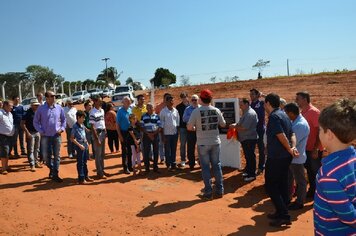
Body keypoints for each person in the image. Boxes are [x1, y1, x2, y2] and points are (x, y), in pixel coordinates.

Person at [314, 98, 356, 235]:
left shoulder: (328, 174)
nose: (318, 133)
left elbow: (349, 216)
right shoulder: (353, 157)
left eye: (320, 130)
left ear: (329, 135)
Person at [264, 93, 298, 227]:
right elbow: (292, 134)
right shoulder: (284, 114)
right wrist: (293, 147)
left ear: (268, 103)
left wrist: (290, 148)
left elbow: (281, 135)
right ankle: (280, 211)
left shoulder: (274, 116)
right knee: (282, 184)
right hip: (285, 157)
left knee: (271, 185)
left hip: (277, 157)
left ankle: (284, 214)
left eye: (264, 104)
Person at [187, 89, 226, 200]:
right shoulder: (216, 110)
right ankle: (219, 190)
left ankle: (208, 192)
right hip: (215, 142)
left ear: (201, 99)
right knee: (217, 166)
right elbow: (223, 125)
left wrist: (196, 128)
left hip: (202, 143)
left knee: (205, 168)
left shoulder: (196, 112)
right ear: (210, 99)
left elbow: (189, 127)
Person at [33, 91, 66, 183]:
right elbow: (35, 121)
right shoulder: (41, 109)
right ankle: (51, 168)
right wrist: (40, 131)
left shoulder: (59, 108)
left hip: (56, 135)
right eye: (52, 96)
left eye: (54, 96)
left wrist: (62, 128)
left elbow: (64, 120)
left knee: (57, 156)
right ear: (46, 98)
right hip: (45, 136)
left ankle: (55, 174)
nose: (54, 97)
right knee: (45, 156)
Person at [295, 91, 322, 198]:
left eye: (298, 99)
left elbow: (320, 131)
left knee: (315, 173)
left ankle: (318, 194)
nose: (296, 101)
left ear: (305, 99)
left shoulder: (314, 112)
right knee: (310, 172)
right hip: (306, 148)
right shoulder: (303, 112)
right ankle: (312, 191)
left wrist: (315, 148)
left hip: (313, 149)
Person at [284, 103, 310, 210]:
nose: (285, 115)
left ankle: (299, 202)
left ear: (291, 113)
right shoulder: (296, 121)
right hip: (293, 157)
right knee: (290, 179)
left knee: (301, 181)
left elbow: (292, 142)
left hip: (297, 158)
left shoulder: (300, 125)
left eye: (286, 113)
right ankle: (288, 198)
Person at [230, 98, 258, 182]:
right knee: (247, 156)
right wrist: (236, 125)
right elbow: (241, 124)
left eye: (241, 105)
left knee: (250, 157)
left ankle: (252, 175)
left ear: (247, 104)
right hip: (246, 138)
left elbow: (244, 127)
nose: (240, 107)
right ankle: (248, 171)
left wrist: (235, 126)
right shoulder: (246, 112)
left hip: (249, 138)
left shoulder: (250, 113)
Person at [71, 110, 94, 184]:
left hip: (84, 146)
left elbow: (85, 133)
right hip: (79, 147)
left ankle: (86, 176)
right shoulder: (75, 127)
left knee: (85, 162)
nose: (84, 119)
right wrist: (79, 145)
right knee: (80, 162)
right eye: (83, 118)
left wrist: (86, 142)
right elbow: (72, 138)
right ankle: (81, 178)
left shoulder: (82, 125)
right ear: (78, 117)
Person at [89, 95, 108, 179]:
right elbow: (92, 126)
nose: (101, 102)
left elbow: (102, 121)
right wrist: (96, 138)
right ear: (95, 102)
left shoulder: (102, 110)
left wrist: (105, 130)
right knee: (98, 154)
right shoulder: (92, 112)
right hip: (97, 133)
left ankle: (102, 170)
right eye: (100, 101)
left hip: (103, 132)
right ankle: (99, 173)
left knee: (102, 154)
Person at [21, 98, 42, 171]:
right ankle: (32, 164)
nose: (37, 106)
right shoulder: (27, 113)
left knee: (37, 149)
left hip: (37, 133)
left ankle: (36, 162)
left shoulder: (38, 112)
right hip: (30, 133)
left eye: (37, 105)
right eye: (35, 105)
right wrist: (27, 133)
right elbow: (22, 124)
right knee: (31, 150)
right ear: (32, 105)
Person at [160, 94, 179, 171]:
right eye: (170, 100)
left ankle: (173, 163)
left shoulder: (176, 111)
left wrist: (177, 133)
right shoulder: (163, 112)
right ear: (166, 102)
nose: (172, 102)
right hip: (166, 135)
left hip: (174, 134)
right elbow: (161, 126)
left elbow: (177, 123)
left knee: (173, 149)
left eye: (172, 100)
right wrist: (163, 136)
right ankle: (168, 164)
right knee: (167, 150)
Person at [140, 103, 161, 173]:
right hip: (146, 135)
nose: (150, 109)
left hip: (155, 135)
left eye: (151, 107)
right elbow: (142, 127)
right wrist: (149, 134)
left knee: (156, 151)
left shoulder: (157, 116)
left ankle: (155, 167)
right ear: (146, 109)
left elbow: (159, 126)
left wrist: (153, 134)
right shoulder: (143, 116)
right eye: (148, 108)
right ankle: (147, 168)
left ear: (153, 108)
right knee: (146, 152)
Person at [249, 88, 265, 175]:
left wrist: (263, 95)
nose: (251, 96)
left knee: (261, 149)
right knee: (251, 149)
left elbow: (272, 100)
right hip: (252, 130)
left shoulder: (261, 103)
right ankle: (251, 166)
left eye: (252, 94)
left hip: (260, 130)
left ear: (257, 95)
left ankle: (261, 167)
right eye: (250, 94)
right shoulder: (250, 104)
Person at [182, 94, 200, 170]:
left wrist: (193, 117)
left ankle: (201, 163)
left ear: (198, 100)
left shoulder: (201, 108)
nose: (194, 101)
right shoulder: (187, 109)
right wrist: (194, 117)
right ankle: (191, 163)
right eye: (192, 100)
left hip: (200, 131)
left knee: (201, 147)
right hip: (191, 130)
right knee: (190, 147)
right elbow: (184, 118)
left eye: (195, 99)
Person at [116, 96, 133, 174]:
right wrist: (120, 135)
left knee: (130, 150)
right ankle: (125, 167)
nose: (129, 102)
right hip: (123, 132)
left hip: (130, 132)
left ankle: (130, 166)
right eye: (127, 101)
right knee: (125, 151)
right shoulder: (120, 111)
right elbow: (117, 124)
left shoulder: (130, 110)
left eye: (129, 101)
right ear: (124, 102)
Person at [155, 93, 171, 163]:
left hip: (169, 128)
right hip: (161, 127)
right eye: (166, 97)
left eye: (169, 98)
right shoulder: (159, 106)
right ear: (164, 98)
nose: (167, 99)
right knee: (161, 143)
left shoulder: (171, 106)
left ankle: (168, 157)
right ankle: (162, 158)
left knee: (168, 143)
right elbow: (155, 116)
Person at [0, 100, 15, 174]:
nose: (12, 107)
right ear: (5, 106)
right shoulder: (0, 113)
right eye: (10, 106)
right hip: (3, 136)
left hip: (10, 136)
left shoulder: (10, 114)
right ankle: (3, 168)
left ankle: (6, 166)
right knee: (4, 151)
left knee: (8, 151)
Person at [176, 92, 189, 168]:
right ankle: (183, 160)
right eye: (182, 97)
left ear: (187, 97)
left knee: (191, 144)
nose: (184, 98)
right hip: (182, 128)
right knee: (183, 144)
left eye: (185, 96)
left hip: (191, 128)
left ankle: (191, 159)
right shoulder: (178, 107)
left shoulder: (192, 105)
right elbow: (178, 118)